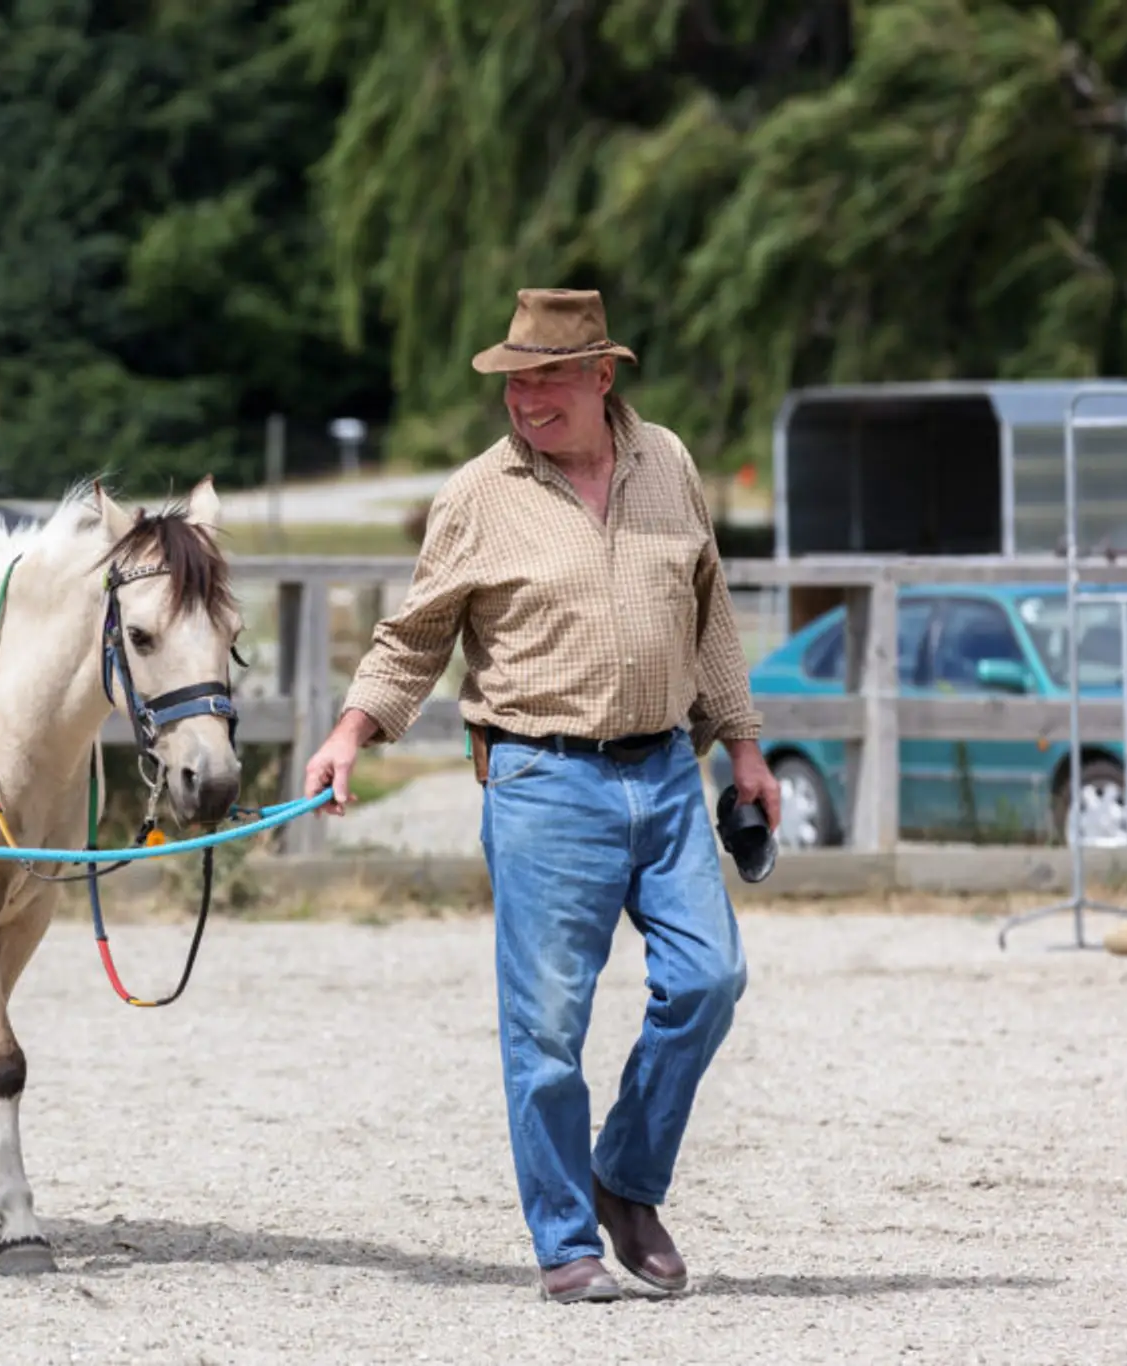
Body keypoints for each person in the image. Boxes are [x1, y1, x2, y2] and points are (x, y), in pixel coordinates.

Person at [302, 288, 779, 1305]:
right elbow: (414, 637)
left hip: (665, 770)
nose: (526, 401)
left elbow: (710, 617)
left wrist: (743, 748)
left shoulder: (669, 464)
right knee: (549, 1026)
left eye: (548, 379)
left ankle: (624, 1182)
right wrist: (350, 734)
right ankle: (566, 1240)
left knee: (709, 980)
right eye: (513, 384)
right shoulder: (477, 495)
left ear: (603, 375)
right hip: (540, 777)